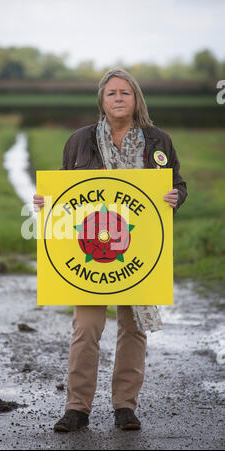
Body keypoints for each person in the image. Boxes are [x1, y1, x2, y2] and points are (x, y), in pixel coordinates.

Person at [33, 68, 187, 432]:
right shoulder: (80, 141)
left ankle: (125, 407)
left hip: (139, 250)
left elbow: (177, 183)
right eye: (111, 93)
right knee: (85, 327)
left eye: (125, 92)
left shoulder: (158, 141)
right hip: (90, 249)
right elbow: (66, 190)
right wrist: (46, 201)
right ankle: (77, 409)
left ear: (136, 99)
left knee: (133, 329)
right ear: (102, 101)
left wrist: (175, 196)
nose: (118, 98)